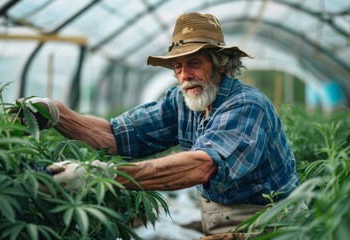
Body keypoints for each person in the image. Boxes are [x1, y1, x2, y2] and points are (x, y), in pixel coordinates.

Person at [16, 12, 299, 235]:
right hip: (216, 219)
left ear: (221, 64)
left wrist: (101, 175)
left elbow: (202, 165)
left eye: (195, 62)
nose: (185, 74)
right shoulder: (181, 101)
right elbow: (117, 135)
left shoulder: (247, 105)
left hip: (269, 224)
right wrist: (58, 113)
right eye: (178, 66)